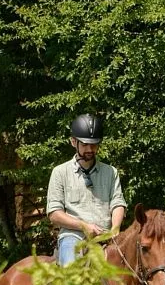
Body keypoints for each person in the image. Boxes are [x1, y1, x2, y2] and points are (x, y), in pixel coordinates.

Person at [46, 114, 127, 265]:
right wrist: (84, 226)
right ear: (73, 142)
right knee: (72, 274)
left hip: (106, 238)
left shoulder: (111, 172)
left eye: (94, 145)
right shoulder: (60, 172)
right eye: (84, 145)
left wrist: (115, 229)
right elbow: (54, 214)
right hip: (73, 237)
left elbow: (118, 203)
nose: (90, 149)